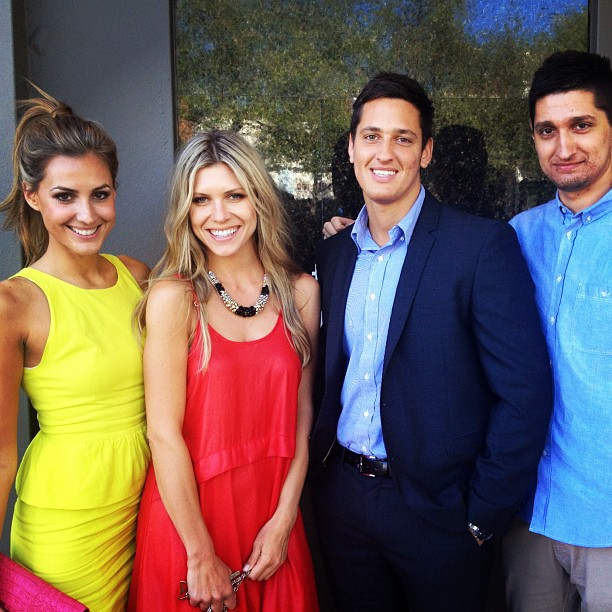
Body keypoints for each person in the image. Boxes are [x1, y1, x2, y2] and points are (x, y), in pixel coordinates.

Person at [310, 71, 552, 611]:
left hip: (442, 515)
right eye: (371, 136)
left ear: (426, 152)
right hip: (343, 500)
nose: (385, 153)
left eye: (403, 138)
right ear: (351, 148)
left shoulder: (481, 246)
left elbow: (524, 392)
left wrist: (482, 513)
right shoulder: (333, 254)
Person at [127, 130, 320, 612]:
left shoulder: (300, 293)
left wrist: (284, 520)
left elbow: (302, 418)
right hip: (190, 525)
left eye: (234, 195)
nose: (219, 215)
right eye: (201, 200)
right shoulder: (174, 297)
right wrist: (199, 553)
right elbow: (163, 434)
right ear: (186, 211)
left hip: (273, 521)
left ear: (259, 199)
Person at [0, 88, 151, 610]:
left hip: (146, 505)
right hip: (67, 523)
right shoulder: (15, 303)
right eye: (65, 196)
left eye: (100, 194)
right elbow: (0, 456)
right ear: (32, 196)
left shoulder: (136, 276)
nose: (87, 214)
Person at [502, 50, 612, 612]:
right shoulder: (517, 236)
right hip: (529, 511)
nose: (563, 146)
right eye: (547, 130)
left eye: (581, 125)